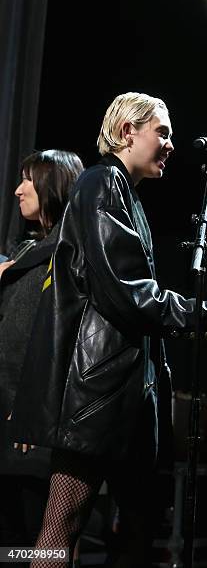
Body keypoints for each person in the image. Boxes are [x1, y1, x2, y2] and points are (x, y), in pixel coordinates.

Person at [10, 92, 207, 568]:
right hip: (96, 394)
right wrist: (201, 313)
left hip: (117, 392)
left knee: (99, 535)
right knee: (59, 532)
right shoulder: (100, 183)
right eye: (163, 131)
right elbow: (127, 289)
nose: (171, 144)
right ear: (128, 131)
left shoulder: (121, 192)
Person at [0, 150, 83, 559]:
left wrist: (33, 407)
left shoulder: (67, 253)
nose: (18, 189)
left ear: (52, 185)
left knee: (36, 544)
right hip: (9, 419)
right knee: (10, 540)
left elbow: (60, 342)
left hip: (33, 427)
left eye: (28, 179)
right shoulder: (27, 252)